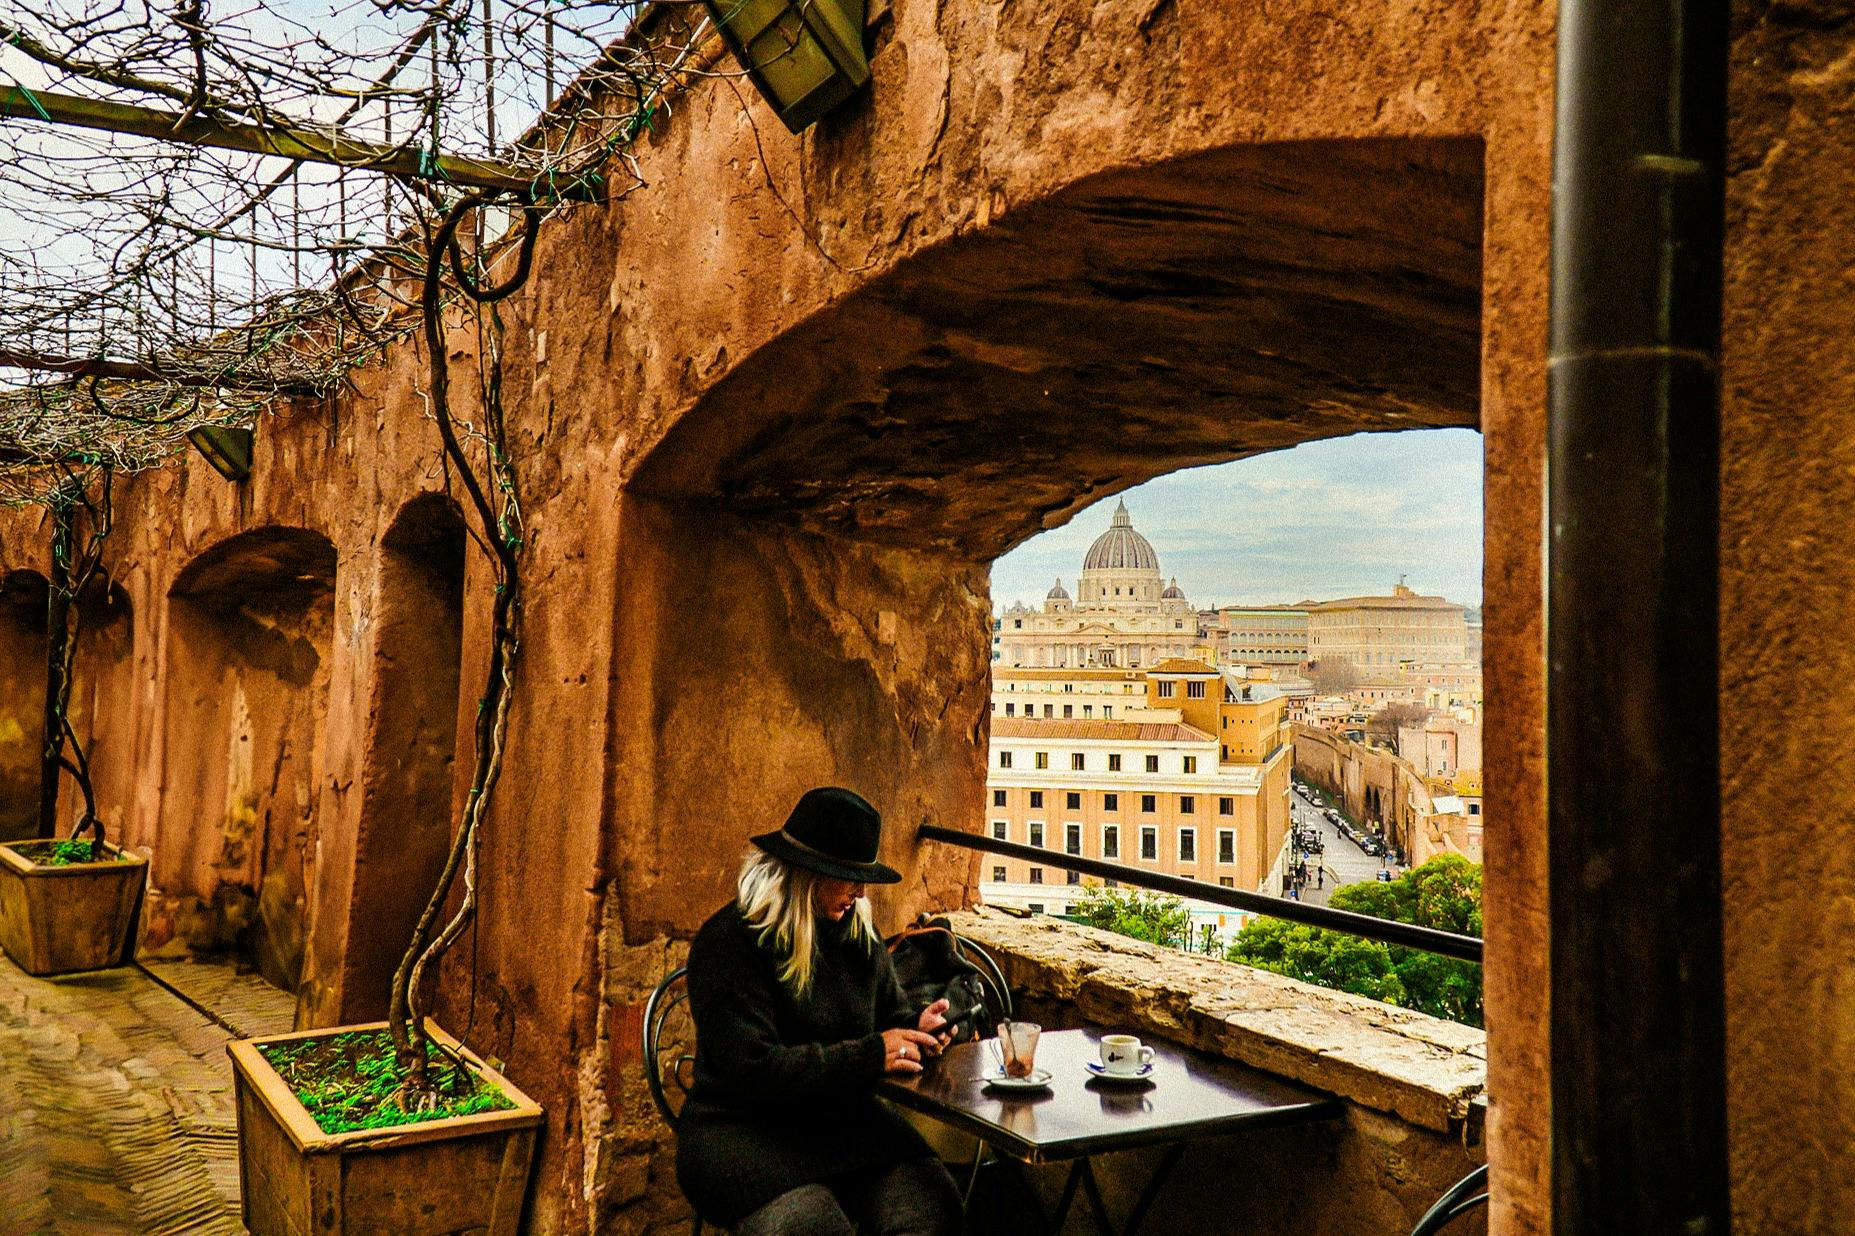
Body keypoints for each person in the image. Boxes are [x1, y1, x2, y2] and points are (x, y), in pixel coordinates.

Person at [676, 787, 963, 1236]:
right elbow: (753, 1071)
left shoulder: (855, 934)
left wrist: (917, 1028)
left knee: (935, 1205)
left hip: (841, 1125)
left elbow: (888, 1015)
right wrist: (871, 1055)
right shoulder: (729, 942)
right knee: (812, 1227)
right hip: (742, 1132)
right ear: (807, 874)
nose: (862, 892)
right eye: (850, 877)